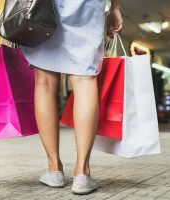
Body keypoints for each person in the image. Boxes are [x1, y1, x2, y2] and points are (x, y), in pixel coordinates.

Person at [21, 0, 123, 195]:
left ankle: (54, 170)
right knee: (85, 80)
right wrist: (116, 7)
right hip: (86, 6)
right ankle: (82, 173)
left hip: (43, 7)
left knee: (44, 81)